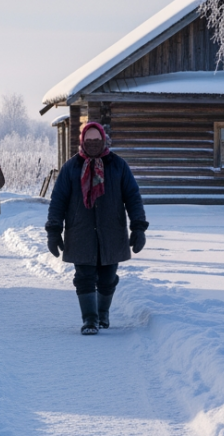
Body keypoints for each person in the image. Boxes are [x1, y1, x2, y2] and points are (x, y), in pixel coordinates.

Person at [46, 122, 148, 335]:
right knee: (84, 277)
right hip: (80, 231)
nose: (92, 144)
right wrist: (54, 230)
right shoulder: (71, 167)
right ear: (82, 141)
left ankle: (102, 314)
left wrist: (138, 227)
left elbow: (133, 197)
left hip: (111, 231)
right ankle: (90, 320)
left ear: (103, 140)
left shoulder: (118, 165)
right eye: (89, 140)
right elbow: (58, 201)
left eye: (96, 140)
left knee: (107, 278)